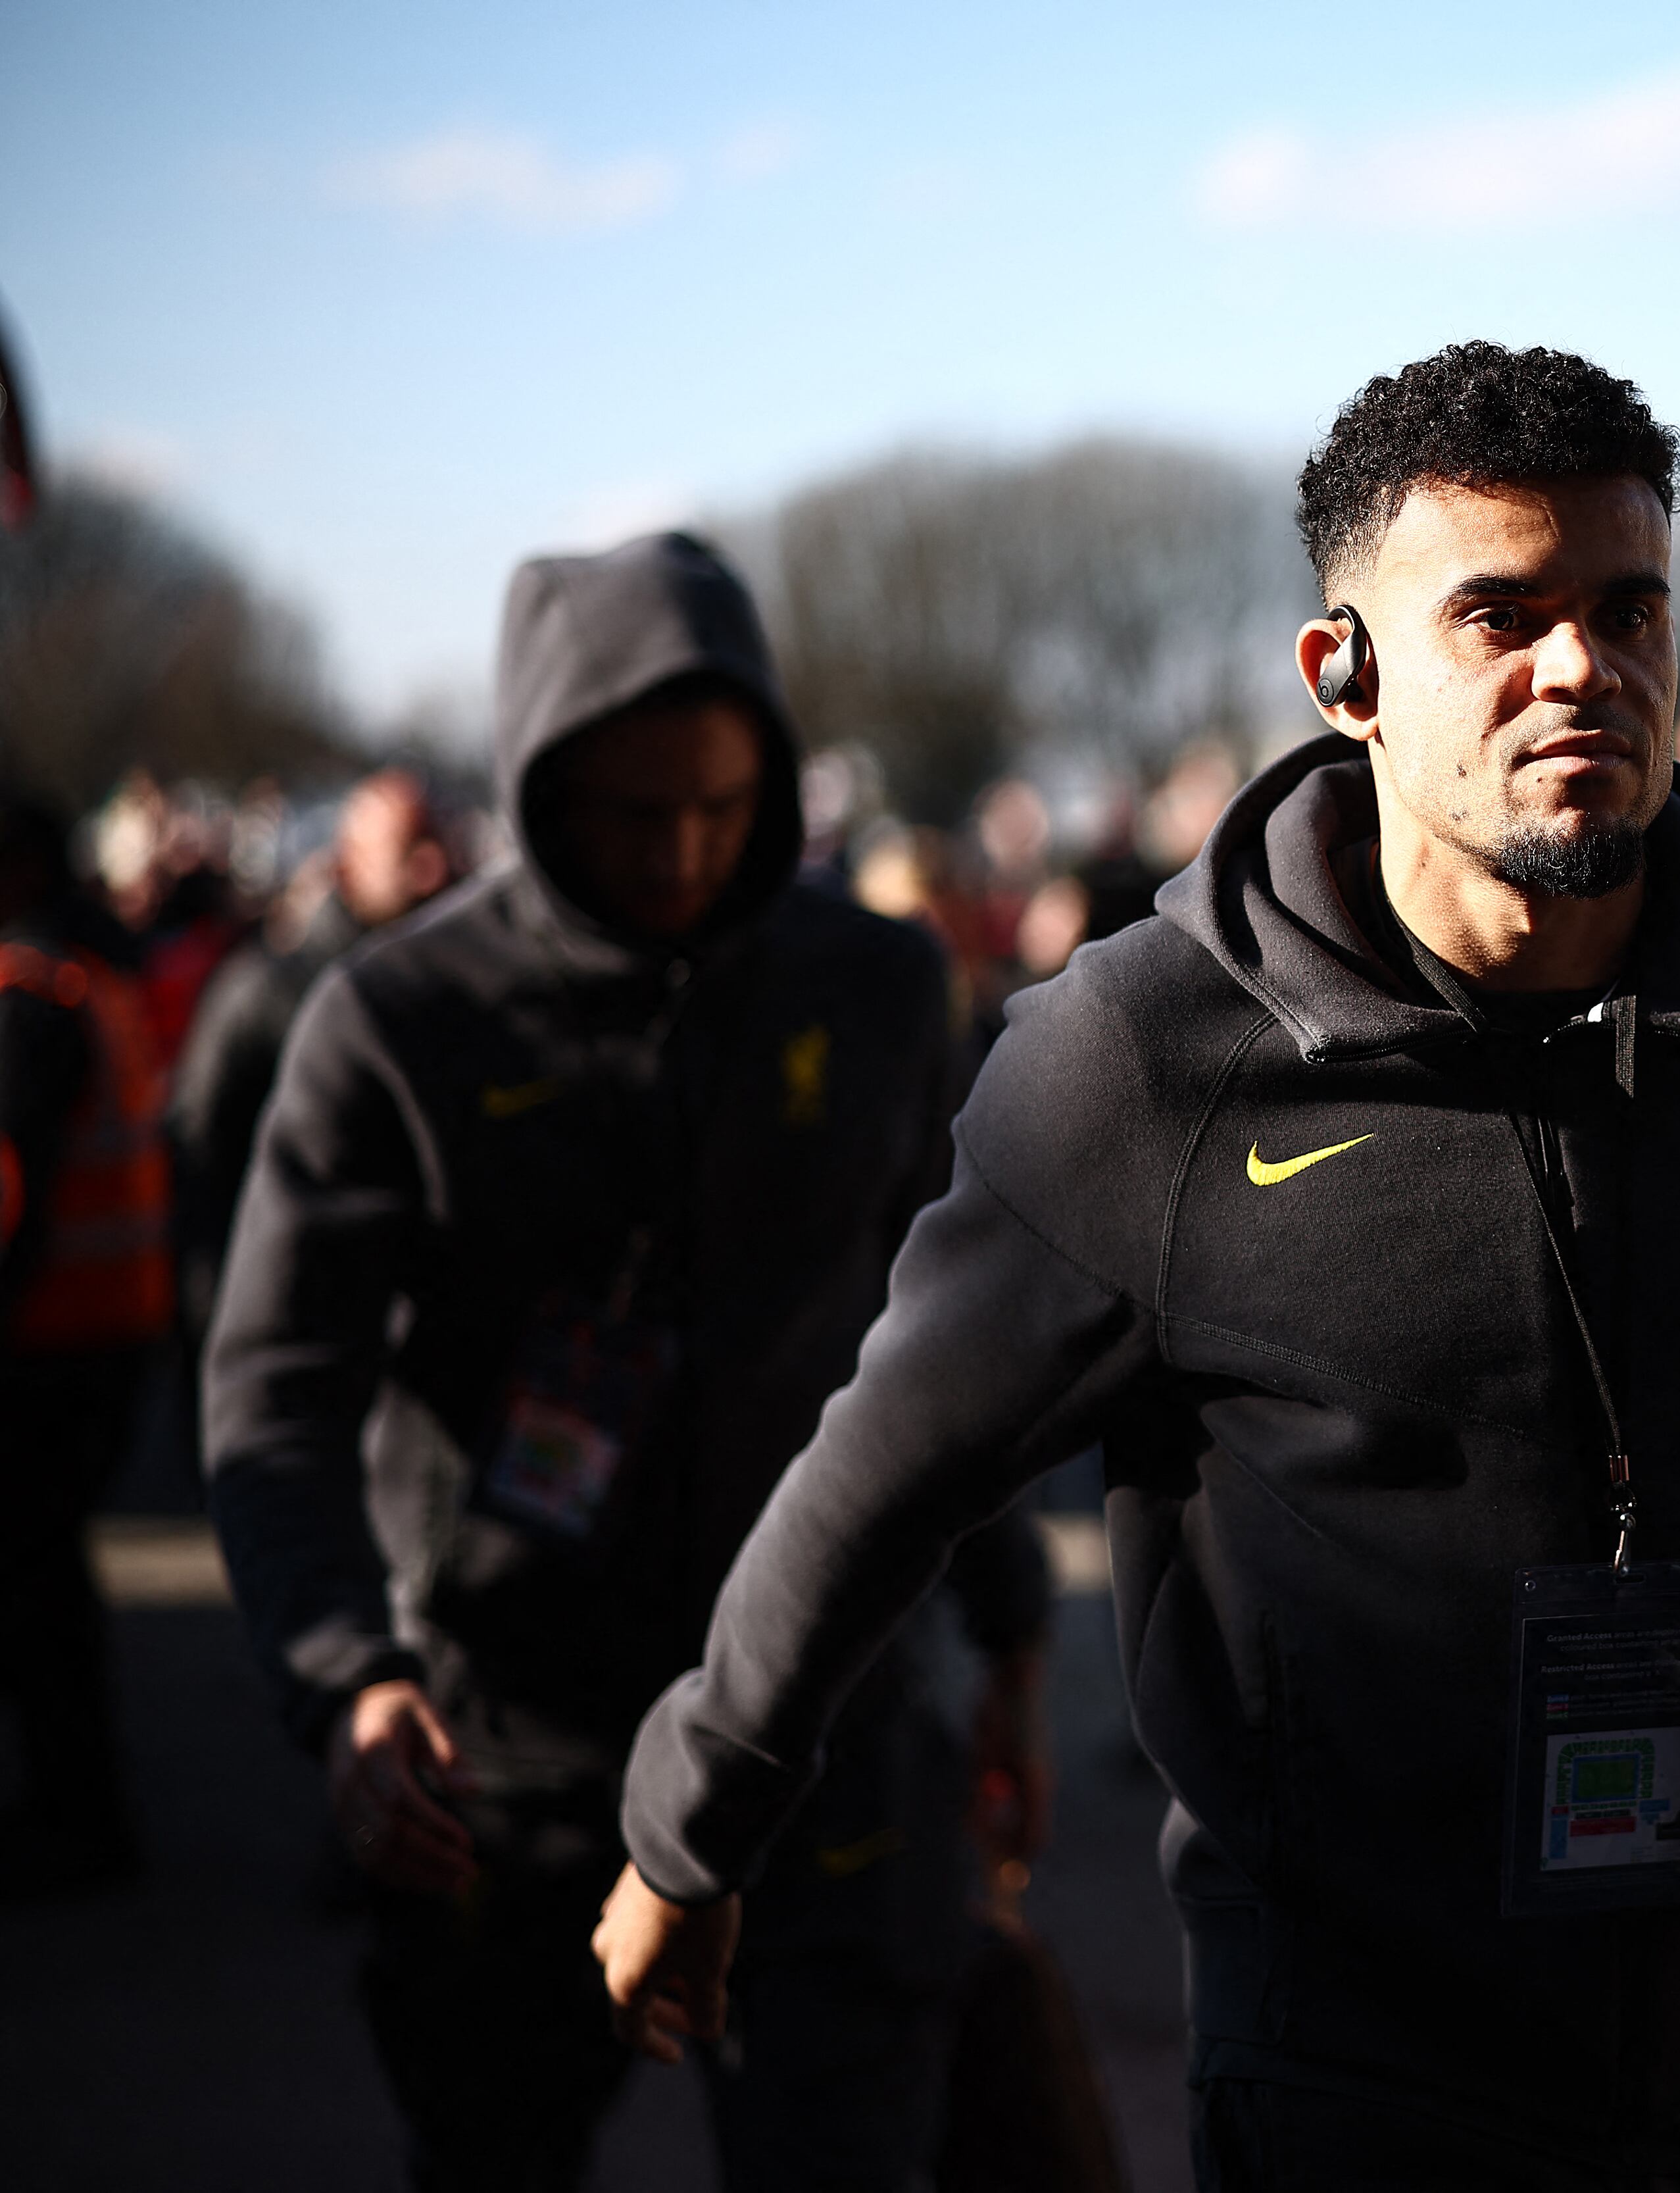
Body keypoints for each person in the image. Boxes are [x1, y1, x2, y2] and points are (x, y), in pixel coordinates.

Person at [593, 343, 1680, 2191]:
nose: (1579, 668)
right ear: (1345, 672)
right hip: (1349, 2065)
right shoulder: (1140, 1061)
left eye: (1628, 608)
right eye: (1499, 614)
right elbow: (883, 1475)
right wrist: (692, 1824)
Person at [203, 533, 1052, 2193]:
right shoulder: (396, 1025)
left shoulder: (875, 987)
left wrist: (1009, 1639)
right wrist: (344, 1677)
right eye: (630, 810)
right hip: (507, 1765)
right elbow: (274, 1394)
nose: (680, 850)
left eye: (723, 807)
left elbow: (959, 1355)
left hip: (830, 1736)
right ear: (536, 788)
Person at [0, 789, 172, 1896]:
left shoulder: (20, 999)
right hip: (109, 1335)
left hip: (45, 1348)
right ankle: (80, 1809)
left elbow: (11, 1195)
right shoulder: (87, 979)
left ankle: (79, 1821)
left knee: (37, 1593)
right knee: (49, 1585)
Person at [166, 769, 458, 1344]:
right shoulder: (265, 993)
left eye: (439, 843)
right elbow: (200, 1149)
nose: (435, 869)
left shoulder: (454, 993)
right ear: (348, 864)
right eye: (410, 849)